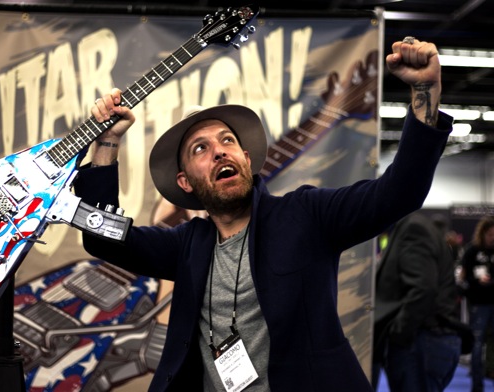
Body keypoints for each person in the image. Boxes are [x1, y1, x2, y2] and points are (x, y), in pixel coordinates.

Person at [73, 36, 452, 391]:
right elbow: (103, 238)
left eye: (227, 141)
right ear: (185, 183)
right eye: (200, 149)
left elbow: (398, 194)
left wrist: (424, 92)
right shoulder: (187, 245)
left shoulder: (307, 216)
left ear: (246, 160)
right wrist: (107, 142)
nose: (220, 151)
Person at [372, 211, 462, 391]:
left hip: (420, 341)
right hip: (423, 340)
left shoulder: (413, 228)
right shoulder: (411, 228)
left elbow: (423, 289)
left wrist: (399, 333)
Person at [460, 215, 494, 392]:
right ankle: (477, 386)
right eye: (490, 234)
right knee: (477, 344)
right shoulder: (472, 251)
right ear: (483, 234)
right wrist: (476, 282)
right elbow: (463, 276)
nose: (492, 238)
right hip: (478, 304)